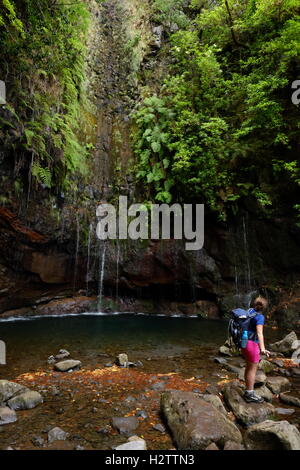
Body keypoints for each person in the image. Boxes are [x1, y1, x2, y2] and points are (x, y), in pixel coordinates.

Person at [241, 296, 270, 403]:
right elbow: (259, 333)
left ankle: (247, 389)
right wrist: (263, 348)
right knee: (252, 369)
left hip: (243, 342)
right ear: (264, 307)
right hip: (252, 344)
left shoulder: (249, 312)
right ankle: (249, 393)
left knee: (248, 367)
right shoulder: (260, 317)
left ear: (254, 304)